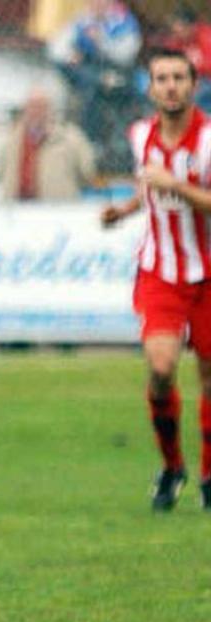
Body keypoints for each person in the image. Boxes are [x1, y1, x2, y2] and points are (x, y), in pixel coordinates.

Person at [101, 48, 211, 511]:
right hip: (160, 272)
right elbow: (148, 187)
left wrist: (177, 187)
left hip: (207, 273)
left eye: (179, 78)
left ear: (193, 84)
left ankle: (209, 476)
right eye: (162, 78)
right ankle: (172, 467)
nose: (170, 86)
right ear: (150, 88)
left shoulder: (208, 139)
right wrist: (124, 210)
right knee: (161, 369)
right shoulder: (140, 134)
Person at [48, 0, 142, 174]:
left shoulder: (124, 23)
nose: (96, 5)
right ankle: (90, 144)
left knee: (103, 88)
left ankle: (122, 149)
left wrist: (101, 41)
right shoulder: (81, 22)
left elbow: (126, 54)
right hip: (90, 74)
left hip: (118, 73)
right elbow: (56, 49)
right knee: (89, 84)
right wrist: (71, 55)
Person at [0, 88, 96, 202]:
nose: (36, 111)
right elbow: (1, 170)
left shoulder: (71, 138)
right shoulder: (11, 140)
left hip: (58, 210)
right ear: (25, 110)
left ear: (50, 110)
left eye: (41, 106)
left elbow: (87, 172)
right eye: (32, 106)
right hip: (18, 211)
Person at [161, 5, 211, 112]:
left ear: (191, 26)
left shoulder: (206, 37)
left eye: (179, 27)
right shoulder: (176, 41)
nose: (176, 32)